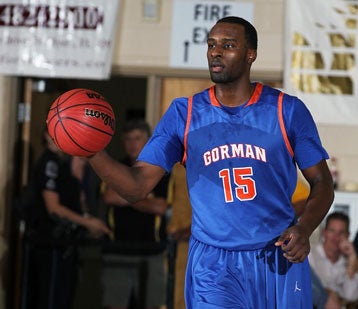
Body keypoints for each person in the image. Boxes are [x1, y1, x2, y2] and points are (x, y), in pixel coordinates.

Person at [85, 16, 334, 308]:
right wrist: (92, 152)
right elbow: (137, 187)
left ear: (251, 54)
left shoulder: (286, 110)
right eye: (212, 45)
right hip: (214, 264)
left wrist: (304, 229)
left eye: (228, 45)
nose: (216, 52)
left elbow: (323, 182)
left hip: (275, 254)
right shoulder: (184, 114)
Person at [24, 130, 110, 309]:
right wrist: (89, 223)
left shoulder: (64, 163)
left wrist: (77, 178)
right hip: (51, 243)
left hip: (66, 245)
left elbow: (76, 204)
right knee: (51, 299)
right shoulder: (50, 162)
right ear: (46, 135)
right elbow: (54, 209)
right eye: (53, 132)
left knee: (63, 297)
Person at [101, 119, 170, 309]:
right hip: (118, 250)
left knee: (152, 304)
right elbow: (109, 197)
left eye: (137, 138)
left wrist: (127, 194)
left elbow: (160, 207)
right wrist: (143, 196)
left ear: (148, 141)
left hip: (151, 251)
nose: (132, 144)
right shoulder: (115, 167)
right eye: (128, 139)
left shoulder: (160, 170)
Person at [309, 212, 358, 305]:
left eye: (341, 233)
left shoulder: (348, 262)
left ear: (348, 235)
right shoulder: (310, 254)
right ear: (324, 232)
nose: (336, 237)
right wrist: (327, 294)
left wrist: (352, 258)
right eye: (332, 231)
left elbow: (351, 296)